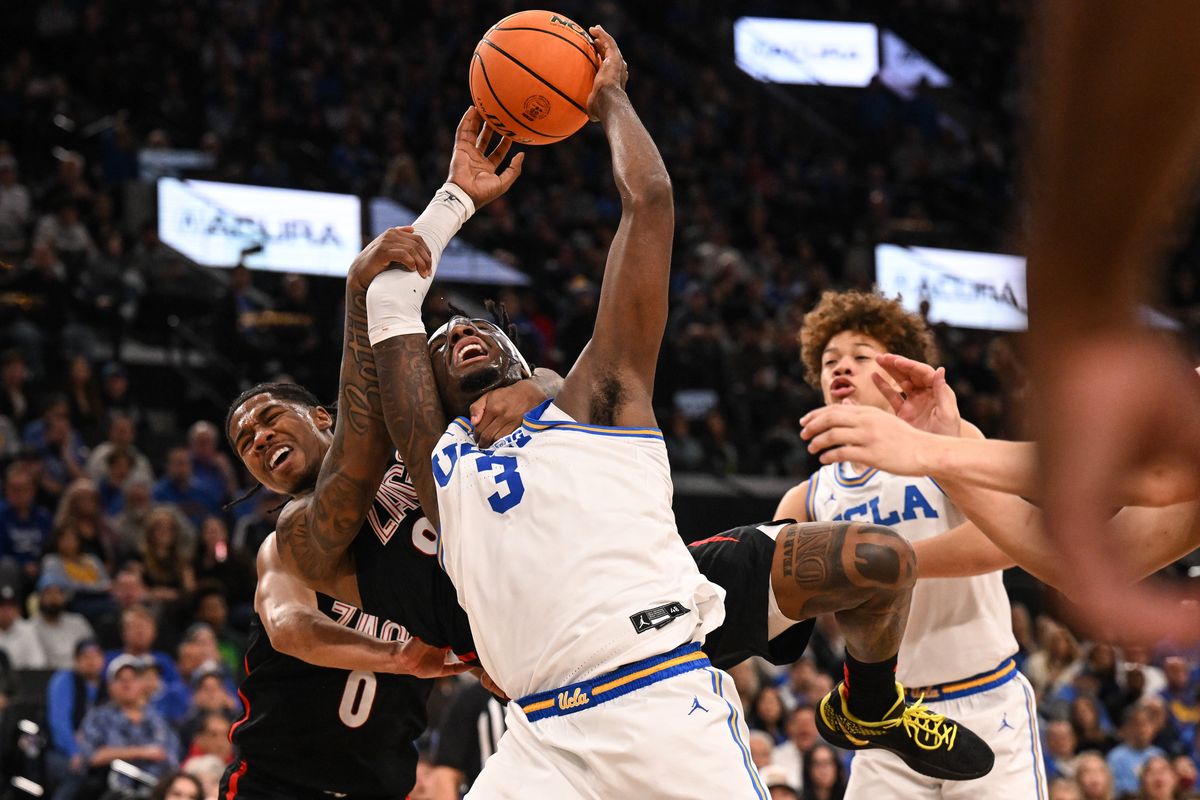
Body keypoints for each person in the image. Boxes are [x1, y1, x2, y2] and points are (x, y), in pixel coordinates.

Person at [362, 29, 988, 798]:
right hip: (540, 743)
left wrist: (610, 101)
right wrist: (454, 196)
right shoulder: (438, 462)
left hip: (658, 704)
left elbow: (650, 201)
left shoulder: (599, 401)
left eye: (476, 325)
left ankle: (873, 703)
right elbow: (389, 294)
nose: (456, 330)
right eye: (443, 336)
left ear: (522, 356)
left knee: (875, 560)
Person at [775, 290, 1041, 799]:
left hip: (983, 700)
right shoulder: (806, 497)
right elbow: (773, 609)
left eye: (860, 355)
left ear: (896, 370)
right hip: (883, 721)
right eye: (830, 360)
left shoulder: (949, 442)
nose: (842, 367)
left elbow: (1010, 542)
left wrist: (889, 567)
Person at [77, 654, 181, 795]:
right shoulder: (98, 717)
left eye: (134, 678)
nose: (127, 684)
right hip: (113, 790)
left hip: (156, 790)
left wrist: (112, 752)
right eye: (120, 679)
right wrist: (141, 752)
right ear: (110, 686)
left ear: (142, 684)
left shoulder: (158, 719)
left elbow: (170, 758)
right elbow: (90, 757)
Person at [45, 638, 106, 800]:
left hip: (98, 751)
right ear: (77, 660)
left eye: (96, 656)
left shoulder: (108, 686)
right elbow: (59, 723)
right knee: (76, 773)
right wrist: (75, 751)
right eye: (86, 657)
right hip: (59, 752)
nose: (92, 662)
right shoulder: (64, 680)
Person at [32, 571, 95, 668]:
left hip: (78, 675)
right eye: (48, 593)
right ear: (40, 597)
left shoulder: (78, 622)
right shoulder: (31, 627)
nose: (53, 598)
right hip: (44, 677)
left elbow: (91, 649)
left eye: (58, 593)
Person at [1107, 705, 1168, 796]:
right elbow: (1113, 789)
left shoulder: (1159, 754)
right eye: (1138, 724)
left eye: (1148, 724)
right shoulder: (1116, 757)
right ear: (1128, 728)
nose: (1143, 729)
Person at [0, 581, 46, 667]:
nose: (6, 611)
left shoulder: (28, 630)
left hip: (23, 678)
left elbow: (37, 663)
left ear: (18, 610)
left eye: (11, 607)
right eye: (2, 606)